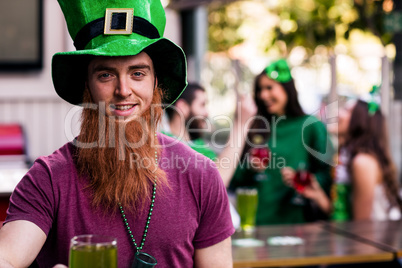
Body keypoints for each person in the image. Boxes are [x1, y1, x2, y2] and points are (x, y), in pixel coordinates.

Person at [0, 1, 234, 267]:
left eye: (137, 73)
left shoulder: (201, 175)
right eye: (106, 75)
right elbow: (6, 257)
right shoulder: (48, 179)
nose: (123, 90)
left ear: (155, 82)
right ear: (86, 85)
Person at [229, 59, 333, 225]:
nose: (263, 95)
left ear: (287, 89)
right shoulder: (254, 126)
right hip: (256, 222)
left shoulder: (311, 126)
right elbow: (232, 180)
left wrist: (304, 180)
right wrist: (250, 168)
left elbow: (327, 174)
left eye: (269, 88)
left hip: (297, 223)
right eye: (260, 90)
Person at [313, 97, 402, 221]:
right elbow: (343, 216)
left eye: (347, 111)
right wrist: (318, 195)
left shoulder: (362, 163)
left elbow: (361, 228)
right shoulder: (348, 157)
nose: (338, 113)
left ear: (361, 122)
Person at [164, 82, 257, 187]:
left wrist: (251, 166)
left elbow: (227, 172)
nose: (206, 112)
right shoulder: (163, 143)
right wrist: (241, 124)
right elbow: (216, 183)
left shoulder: (200, 145)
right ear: (183, 107)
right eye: (202, 104)